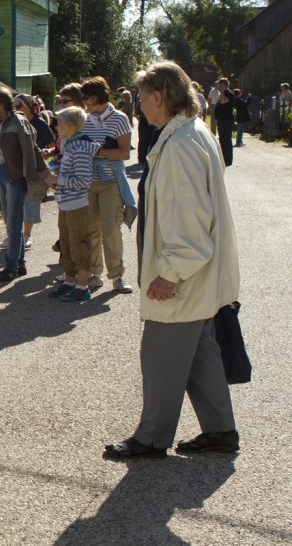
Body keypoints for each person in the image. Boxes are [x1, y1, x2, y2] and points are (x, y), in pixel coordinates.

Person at [103, 61, 240, 460]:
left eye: (143, 99)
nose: (140, 107)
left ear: (161, 97)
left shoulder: (180, 146)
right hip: (196, 277)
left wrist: (169, 273)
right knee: (200, 353)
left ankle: (151, 438)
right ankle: (220, 431)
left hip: (182, 276)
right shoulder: (191, 134)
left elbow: (189, 220)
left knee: (160, 356)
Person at [0, 87, 43, 282]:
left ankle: (11, 266)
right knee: (10, 221)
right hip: (2, 172)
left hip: (15, 175)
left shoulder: (16, 121)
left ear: (1, 105)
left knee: (14, 222)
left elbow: (20, 149)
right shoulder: (1, 123)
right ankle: (20, 263)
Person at [81, 76, 135, 294]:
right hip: (87, 180)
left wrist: (99, 151)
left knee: (111, 228)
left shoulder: (120, 118)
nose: (84, 102)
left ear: (94, 97)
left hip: (110, 181)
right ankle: (95, 274)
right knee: (91, 229)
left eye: (86, 98)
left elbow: (124, 153)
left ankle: (117, 276)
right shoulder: (84, 119)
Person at [45, 106, 99, 303]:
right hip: (66, 204)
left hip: (77, 205)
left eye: (59, 123)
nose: (56, 127)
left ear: (71, 125)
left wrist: (57, 179)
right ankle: (69, 282)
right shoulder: (70, 145)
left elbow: (83, 181)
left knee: (80, 246)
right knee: (66, 246)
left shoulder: (81, 147)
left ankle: (82, 285)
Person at [14, 94, 55, 250]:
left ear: (29, 107)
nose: (16, 108)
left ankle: (26, 235)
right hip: (18, 167)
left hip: (36, 168)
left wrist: (45, 158)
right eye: (15, 105)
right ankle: (16, 235)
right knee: (16, 201)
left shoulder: (39, 123)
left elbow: (52, 145)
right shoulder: (15, 122)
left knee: (31, 201)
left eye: (19, 105)